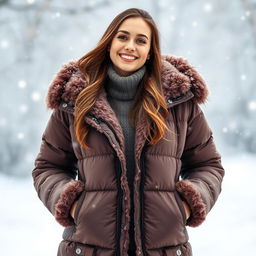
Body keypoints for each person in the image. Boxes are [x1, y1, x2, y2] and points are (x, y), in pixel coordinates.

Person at [32, 8, 224, 256]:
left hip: (163, 248)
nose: (130, 46)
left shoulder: (179, 102)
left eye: (141, 40)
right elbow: (48, 167)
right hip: (89, 248)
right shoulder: (75, 100)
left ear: (149, 51)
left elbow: (208, 165)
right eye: (123, 37)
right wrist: (72, 205)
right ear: (110, 42)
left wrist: (185, 204)